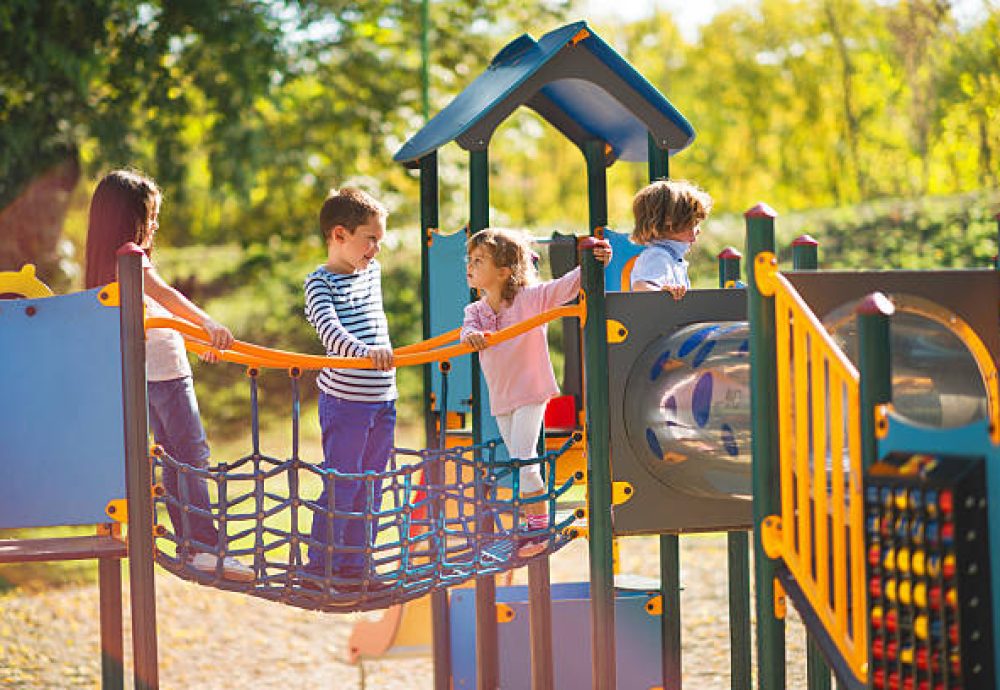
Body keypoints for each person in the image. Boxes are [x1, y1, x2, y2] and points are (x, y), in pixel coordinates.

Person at [84, 169, 253, 582]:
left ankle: (194, 546)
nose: (155, 223)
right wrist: (209, 323)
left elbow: (153, 319)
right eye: (151, 215)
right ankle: (205, 547)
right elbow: (167, 298)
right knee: (191, 457)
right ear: (129, 218)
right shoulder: (132, 256)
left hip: (146, 375)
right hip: (166, 378)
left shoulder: (106, 264)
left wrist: (198, 342)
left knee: (175, 458)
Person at [460, 228, 611, 558]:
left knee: (526, 462)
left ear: (503, 271)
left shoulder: (530, 299)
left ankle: (539, 530)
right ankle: (532, 526)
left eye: (478, 260)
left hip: (531, 390)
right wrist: (471, 337)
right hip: (502, 398)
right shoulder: (476, 311)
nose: (469, 266)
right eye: (469, 260)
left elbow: (565, 287)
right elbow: (467, 332)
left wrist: (593, 259)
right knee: (518, 463)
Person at [301, 187, 395, 591]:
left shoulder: (370, 272)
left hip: (383, 400)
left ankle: (357, 568)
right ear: (339, 235)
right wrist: (365, 353)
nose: (376, 249)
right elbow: (331, 332)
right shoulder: (319, 284)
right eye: (369, 239)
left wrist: (377, 358)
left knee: (371, 485)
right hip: (346, 402)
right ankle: (320, 568)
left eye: (379, 240)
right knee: (343, 484)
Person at [629, 179, 713, 298]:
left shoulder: (672, 257)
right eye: (695, 222)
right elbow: (640, 286)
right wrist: (660, 292)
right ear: (670, 222)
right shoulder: (657, 255)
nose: (698, 230)